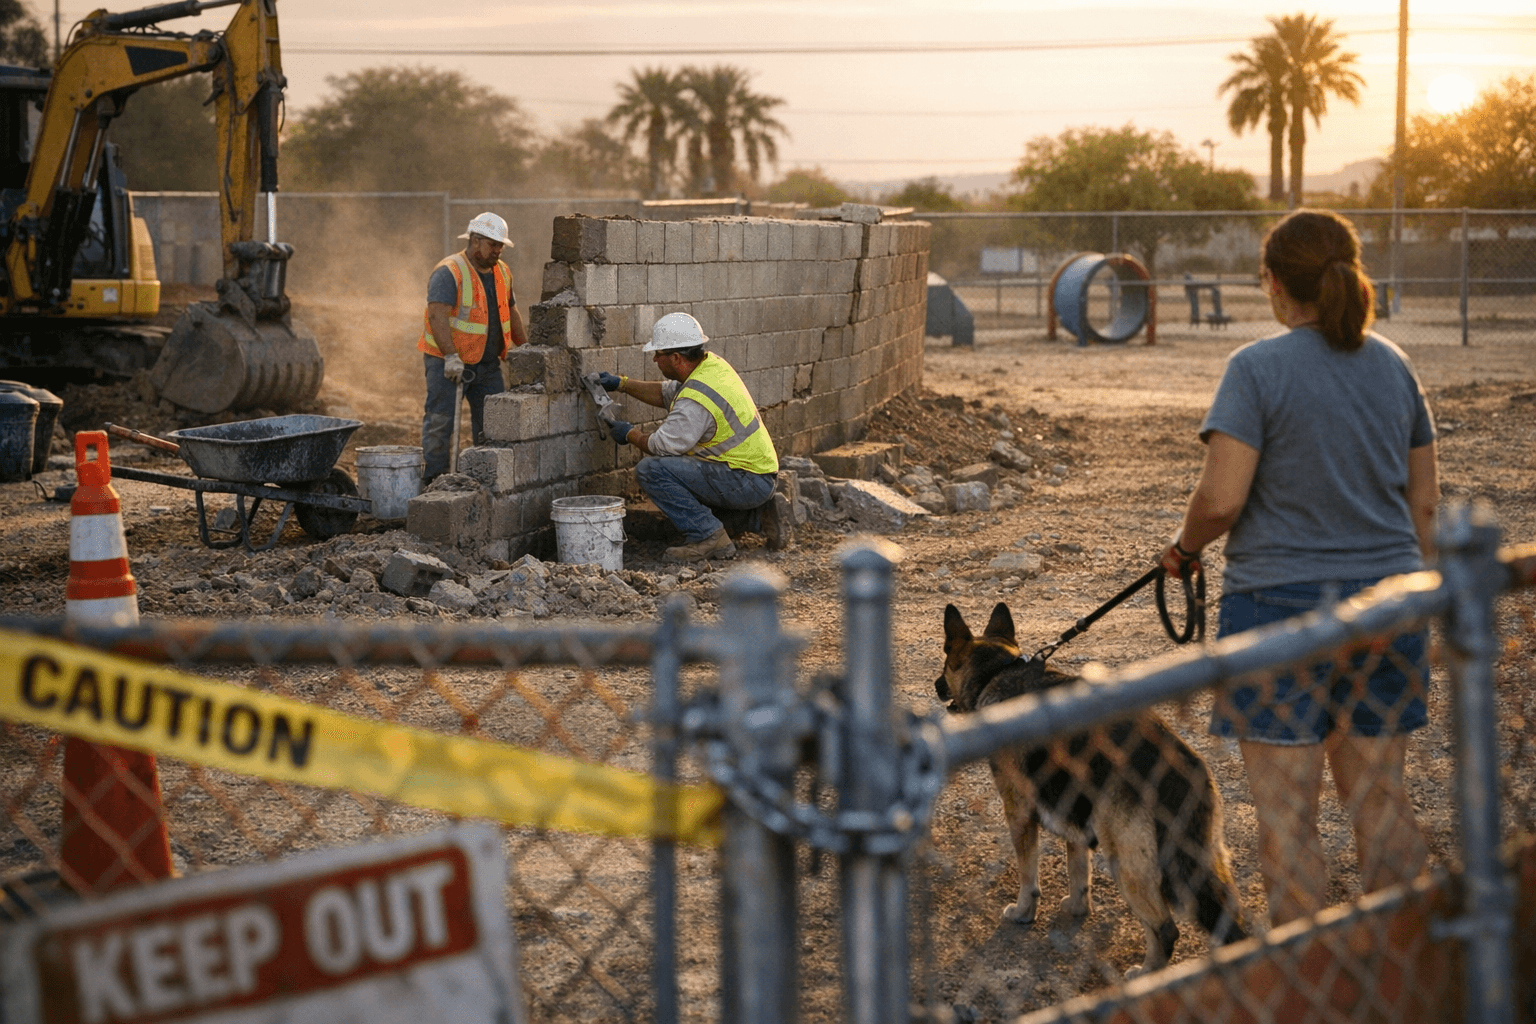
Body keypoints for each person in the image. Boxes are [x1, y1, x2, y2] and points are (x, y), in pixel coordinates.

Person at [1159, 208, 1437, 928]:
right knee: (1381, 805)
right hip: (1388, 605)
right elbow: (1426, 510)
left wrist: (1185, 552)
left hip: (1278, 616)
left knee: (1288, 825)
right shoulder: (1395, 366)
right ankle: (1405, 969)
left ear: (1276, 284)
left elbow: (1220, 499)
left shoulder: (1255, 369)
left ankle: (1303, 988)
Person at [595, 312, 790, 562]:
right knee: (688, 480)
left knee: (651, 470)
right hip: (755, 475)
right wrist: (622, 384)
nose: (654, 359)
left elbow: (661, 446)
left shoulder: (696, 399)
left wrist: (629, 434)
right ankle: (757, 516)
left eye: (659, 354)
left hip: (746, 480)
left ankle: (708, 537)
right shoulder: (711, 366)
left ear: (676, 358)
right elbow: (667, 394)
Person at [418, 212, 529, 483]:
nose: (498, 250)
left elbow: (511, 311)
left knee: (493, 426)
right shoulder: (449, 271)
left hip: (488, 365)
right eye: (494, 244)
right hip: (448, 363)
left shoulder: (502, 271)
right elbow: (437, 315)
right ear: (476, 241)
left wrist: (526, 350)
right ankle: (435, 480)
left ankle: (485, 479)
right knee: (441, 422)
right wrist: (451, 356)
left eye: (501, 245)